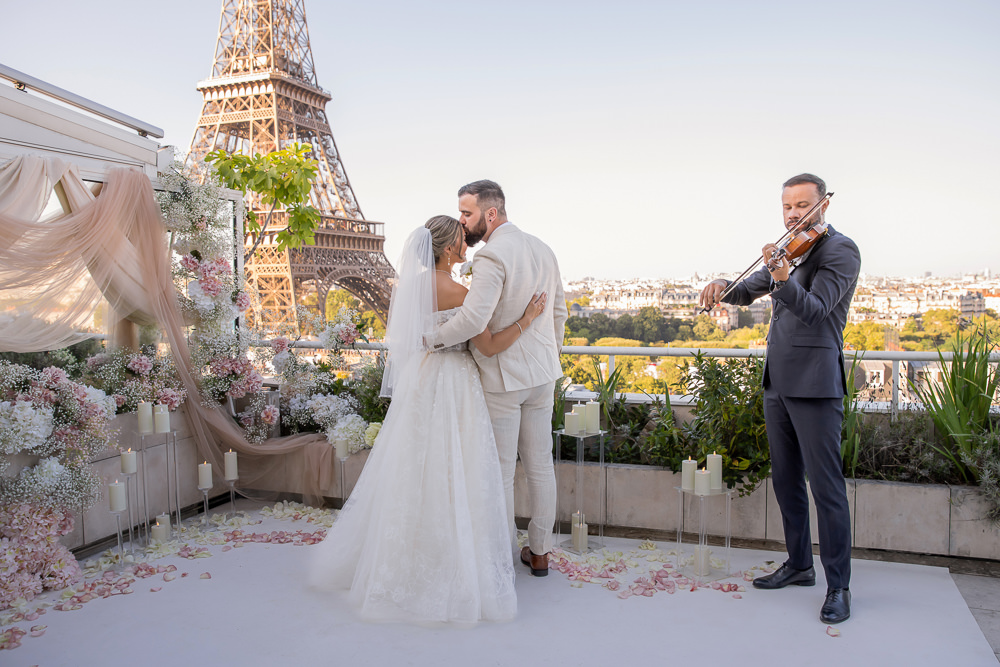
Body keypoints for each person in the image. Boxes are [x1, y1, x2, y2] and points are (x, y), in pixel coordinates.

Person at [309, 216, 546, 624]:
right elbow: (487, 347)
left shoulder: (409, 287)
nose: (466, 245)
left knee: (412, 466)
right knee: (458, 467)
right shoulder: (460, 290)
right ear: (449, 248)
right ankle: (452, 556)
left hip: (420, 380)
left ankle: (403, 555)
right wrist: (528, 319)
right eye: (461, 241)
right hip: (455, 383)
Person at [698, 173, 861, 624]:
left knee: (826, 490)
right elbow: (748, 289)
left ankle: (840, 587)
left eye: (802, 205)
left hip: (815, 383)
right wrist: (722, 284)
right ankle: (799, 565)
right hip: (778, 382)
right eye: (787, 206)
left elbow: (813, 311)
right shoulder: (788, 250)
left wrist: (783, 276)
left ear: (822, 205)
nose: (793, 214)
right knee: (786, 480)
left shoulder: (840, 250)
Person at [429, 180, 568, 577]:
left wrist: (431, 340)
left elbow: (473, 319)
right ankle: (540, 552)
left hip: (502, 377)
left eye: (467, 213)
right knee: (541, 465)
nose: (462, 221)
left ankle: (503, 556)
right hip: (542, 375)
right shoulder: (544, 249)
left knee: (503, 471)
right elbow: (558, 313)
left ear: (490, 214)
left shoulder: (491, 257)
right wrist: (548, 358)